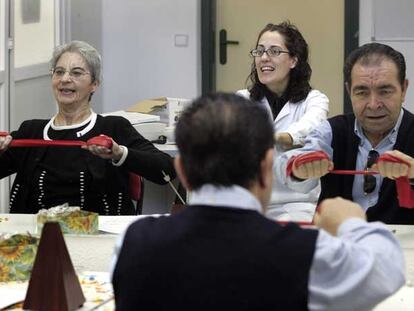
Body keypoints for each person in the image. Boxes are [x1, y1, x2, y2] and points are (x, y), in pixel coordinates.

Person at [111, 93, 404, 310]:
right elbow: (386, 270)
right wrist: (350, 221)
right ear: (267, 168)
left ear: (182, 172)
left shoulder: (131, 242)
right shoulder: (308, 255)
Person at [0, 40, 175, 215]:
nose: (65, 79)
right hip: (35, 236)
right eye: (59, 72)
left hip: (99, 236)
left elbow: (166, 170)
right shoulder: (31, 131)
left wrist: (119, 153)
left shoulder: (113, 127)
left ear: (94, 84)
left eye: (76, 73)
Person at [276, 42, 414, 224]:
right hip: (338, 243)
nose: (373, 104)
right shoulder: (331, 131)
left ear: (403, 89)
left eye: (385, 91)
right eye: (362, 92)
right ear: (349, 91)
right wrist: (298, 168)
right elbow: (284, 166)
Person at [237, 21, 329, 221]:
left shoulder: (314, 100)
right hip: (250, 204)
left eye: (274, 51)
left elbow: (312, 125)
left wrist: (282, 137)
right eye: (259, 51)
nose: (263, 58)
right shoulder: (242, 100)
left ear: (294, 60)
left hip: (298, 204)